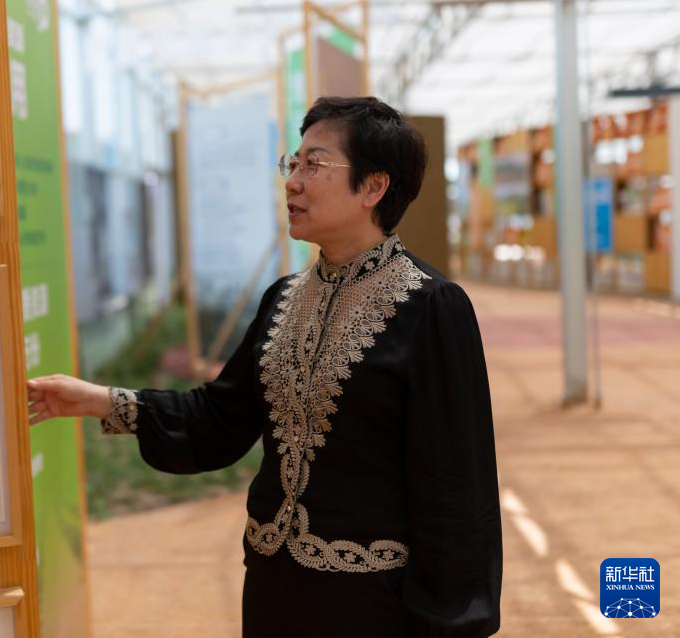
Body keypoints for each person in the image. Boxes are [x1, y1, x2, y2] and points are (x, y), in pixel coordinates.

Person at [28, 96, 502, 637]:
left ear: (373, 187)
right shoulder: (283, 298)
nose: (292, 182)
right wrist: (102, 401)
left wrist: (446, 622)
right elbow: (221, 418)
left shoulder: (431, 307)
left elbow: (455, 484)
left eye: (314, 165)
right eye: (293, 164)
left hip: (375, 604)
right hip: (275, 588)